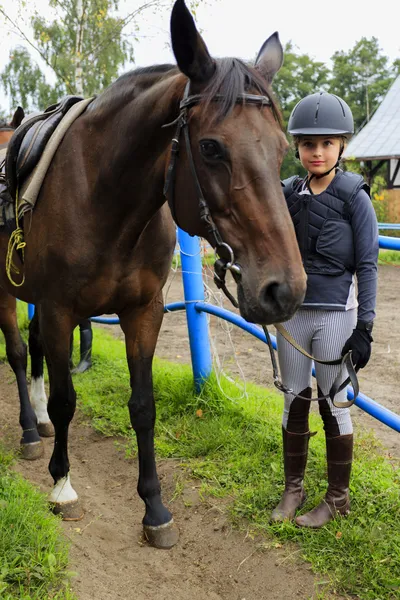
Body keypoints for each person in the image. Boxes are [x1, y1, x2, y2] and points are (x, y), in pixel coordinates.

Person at [271, 92, 379, 528]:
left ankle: (337, 498)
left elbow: (369, 265)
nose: (317, 152)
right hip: (293, 315)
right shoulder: (285, 193)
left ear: (341, 147)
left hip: (336, 315)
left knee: (334, 405)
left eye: (327, 144)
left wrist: (365, 327)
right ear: (296, 147)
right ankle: (293, 489)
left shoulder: (356, 197)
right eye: (308, 144)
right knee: (293, 399)